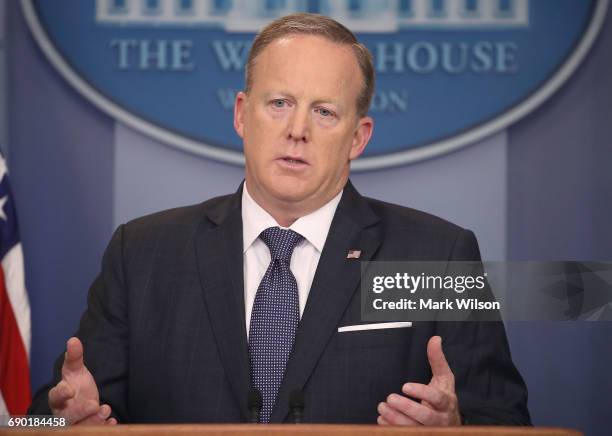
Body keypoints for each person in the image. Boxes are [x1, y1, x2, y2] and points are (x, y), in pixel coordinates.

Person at [29, 13, 530, 426]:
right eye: (280, 103)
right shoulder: (142, 254)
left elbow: (510, 422)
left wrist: (460, 428)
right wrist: (57, 423)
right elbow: (37, 419)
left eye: (325, 112)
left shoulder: (435, 256)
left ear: (359, 137)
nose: (297, 130)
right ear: (243, 115)